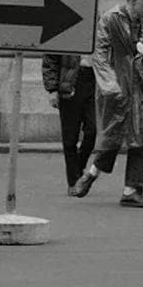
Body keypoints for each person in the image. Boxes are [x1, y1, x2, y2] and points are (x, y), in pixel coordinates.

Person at [69, 0, 143, 206]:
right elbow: (99, 54)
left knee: (141, 139)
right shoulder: (111, 19)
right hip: (116, 89)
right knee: (112, 137)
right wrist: (110, 85)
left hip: (138, 89)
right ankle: (90, 174)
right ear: (132, 0)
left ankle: (132, 190)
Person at [42, 49, 97, 188]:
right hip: (70, 81)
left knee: (93, 130)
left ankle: (79, 166)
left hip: (95, 80)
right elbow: (50, 59)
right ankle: (73, 182)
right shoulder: (66, 29)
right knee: (70, 136)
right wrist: (52, 89)